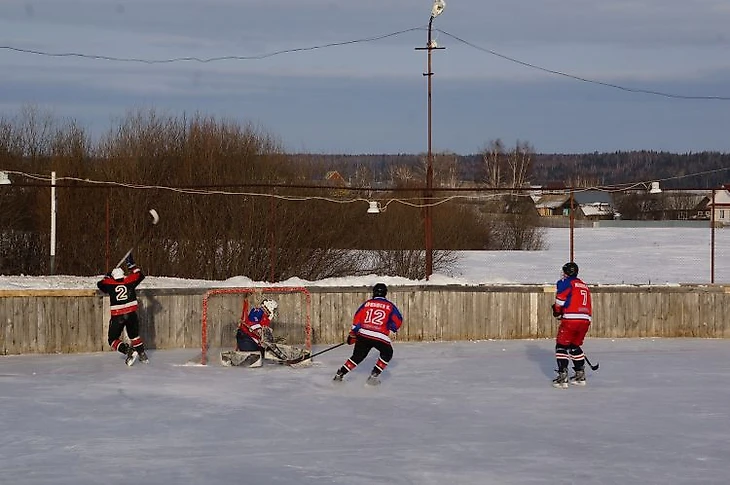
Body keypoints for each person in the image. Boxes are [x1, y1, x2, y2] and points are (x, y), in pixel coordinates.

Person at [333, 282, 403, 385]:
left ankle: (340, 374)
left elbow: (357, 318)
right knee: (387, 353)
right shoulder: (390, 306)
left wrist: (353, 333)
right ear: (385, 293)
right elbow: (398, 320)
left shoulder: (367, 304)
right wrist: (390, 327)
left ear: (374, 293)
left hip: (363, 334)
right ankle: (374, 376)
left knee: (357, 356)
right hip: (380, 335)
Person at [221, 298, 309, 367]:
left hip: (254, 340)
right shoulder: (258, 311)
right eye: (274, 309)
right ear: (269, 307)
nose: (274, 312)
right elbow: (253, 322)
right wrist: (260, 330)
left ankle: (284, 357)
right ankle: (238, 358)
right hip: (245, 338)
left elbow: (262, 332)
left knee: (265, 353)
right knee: (255, 355)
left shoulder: (266, 318)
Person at [96, 253, 149, 366]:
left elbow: (100, 284)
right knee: (134, 336)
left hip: (118, 316)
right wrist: (132, 265)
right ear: (123, 275)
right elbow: (140, 275)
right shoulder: (129, 281)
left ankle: (128, 351)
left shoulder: (110, 284)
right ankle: (142, 355)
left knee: (112, 340)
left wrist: (107, 276)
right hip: (131, 315)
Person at [551, 262, 592, 388]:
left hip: (571, 319)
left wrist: (557, 311)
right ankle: (580, 375)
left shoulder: (567, 282)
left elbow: (560, 301)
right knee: (574, 346)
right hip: (585, 320)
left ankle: (562, 378)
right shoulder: (583, 285)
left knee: (561, 346)